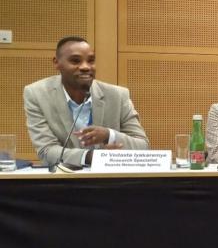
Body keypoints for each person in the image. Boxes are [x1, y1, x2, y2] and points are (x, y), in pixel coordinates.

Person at [23, 36, 149, 166]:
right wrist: (91, 157)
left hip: (112, 181)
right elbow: (46, 151)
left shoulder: (118, 95)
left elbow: (143, 146)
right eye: (75, 61)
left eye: (91, 61)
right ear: (57, 63)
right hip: (64, 180)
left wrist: (108, 135)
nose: (85, 67)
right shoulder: (37, 94)